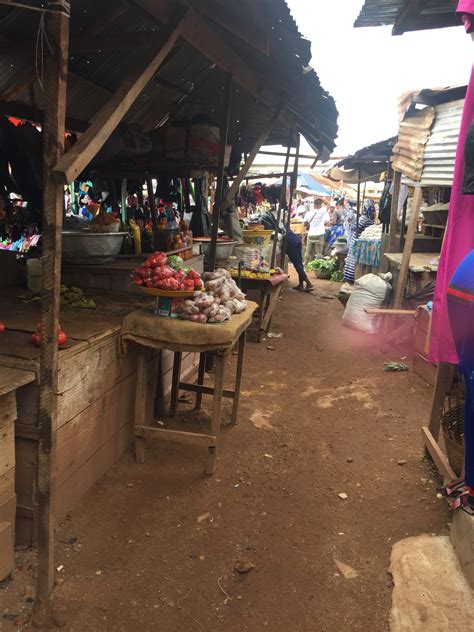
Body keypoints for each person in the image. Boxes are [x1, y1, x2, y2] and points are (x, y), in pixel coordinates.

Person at [261, 206, 314, 292]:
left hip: (291, 243)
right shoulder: (281, 223)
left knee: (297, 265)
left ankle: (308, 283)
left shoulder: (277, 224)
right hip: (296, 241)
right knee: (299, 264)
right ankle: (301, 285)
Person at [303, 198, 328, 267]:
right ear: (320, 205)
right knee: (319, 253)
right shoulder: (322, 211)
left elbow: (305, 224)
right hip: (319, 234)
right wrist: (321, 198)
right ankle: (317, 267)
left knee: (308, 252)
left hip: (310, 234)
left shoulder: (309, 213)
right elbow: (328, 204)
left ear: (314, 204)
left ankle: (305, 266)